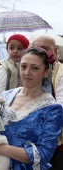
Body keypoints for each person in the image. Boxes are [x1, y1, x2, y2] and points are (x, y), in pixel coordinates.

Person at [0, 47, 63, 170]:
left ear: (46, 72)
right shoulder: (5, 96)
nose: (27, 72)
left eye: (34, 68)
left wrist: (0, 149)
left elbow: (43, 154)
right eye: (23, 66)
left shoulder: (52, 109)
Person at [31, 35, 63, 170]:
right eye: (36, 49)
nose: (41, 52)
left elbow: (60, 106)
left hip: (58, 140)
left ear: (55, 51)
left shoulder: (61, 72)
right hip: (33, 139)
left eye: (45, 48)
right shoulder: (31, 70)